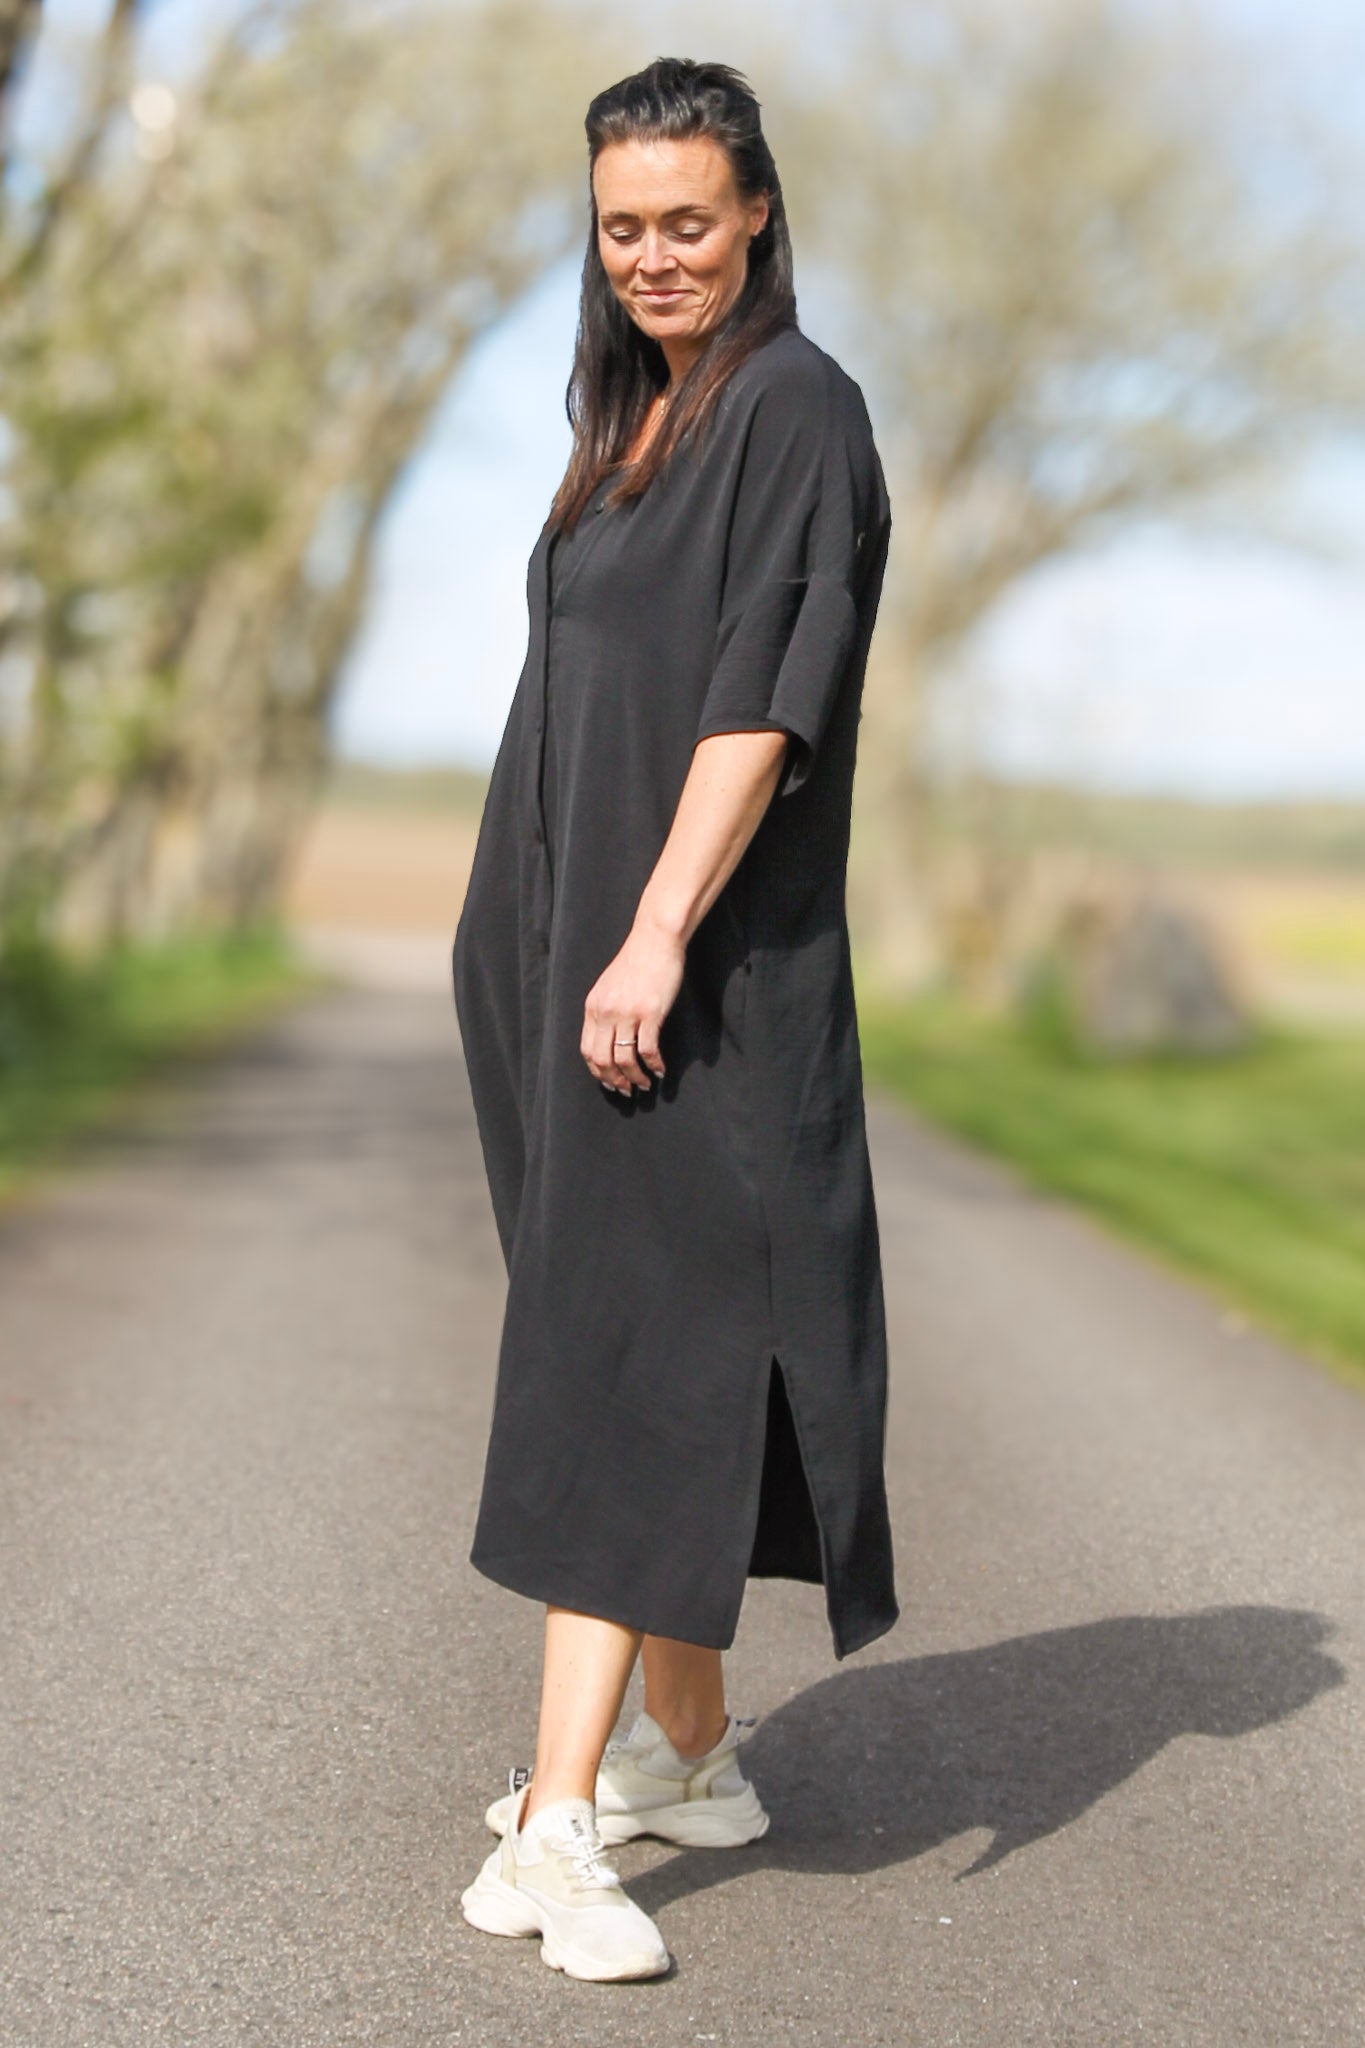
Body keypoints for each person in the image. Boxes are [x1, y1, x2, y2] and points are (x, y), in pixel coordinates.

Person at [452, 56, 899, 1983]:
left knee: (623, 1358)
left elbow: (762, 704)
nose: (653, 255)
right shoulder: (629, 420)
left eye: (688, 222)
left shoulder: (795, 409)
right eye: (622, 225)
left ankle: (558, 1827)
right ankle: (690, 1757)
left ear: (759, 214)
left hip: (684, 977)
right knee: (625, 1337)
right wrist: (547, 941)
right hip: (555, 961)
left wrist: (650, 934)